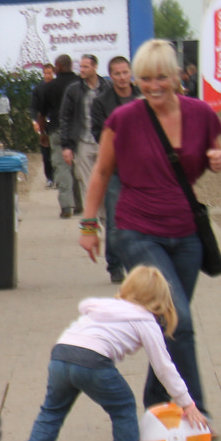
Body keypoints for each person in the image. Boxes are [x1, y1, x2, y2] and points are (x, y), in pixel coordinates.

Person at [78, 39, 221, 416]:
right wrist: (89, 226)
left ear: (177, 77)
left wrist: (218, 159)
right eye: (145, 79)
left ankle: (157, 404)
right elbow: (101, 172)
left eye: (161, 77)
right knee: (180, 321)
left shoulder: (200, 113)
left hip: (187, 234)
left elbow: (213, 153)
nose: (153, 86)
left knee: (168, 325)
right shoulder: (124, 119)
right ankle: (196, 413)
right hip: (137, 230)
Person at [16, 265, 207, 441]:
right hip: (92, 362)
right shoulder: (145, 320)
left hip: (60, 355)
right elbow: (163, 367)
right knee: (123, 406)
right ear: (159, 298)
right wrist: (187, 403)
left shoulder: (104, 307)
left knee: (52, 410)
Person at [91, 56, 141, 283]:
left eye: (125, 72)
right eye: (117, 74)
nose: (122, 78)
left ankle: (139, 263)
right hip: (115, 169)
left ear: (131, 72)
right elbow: (98, 133)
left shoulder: (143, 97)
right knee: (115, 220)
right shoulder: (102, 102)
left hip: (143, 168)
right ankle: (115, 264)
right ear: (111, 76)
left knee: (142, 219)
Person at [59, 54, 110, 215]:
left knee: (107, 184)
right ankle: (92, 221)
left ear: (95, 67)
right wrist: (66, 146)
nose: (81, 70)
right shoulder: (74, 90)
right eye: (80, 66)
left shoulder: (107, 88)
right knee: (88, 185)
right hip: (83, 141)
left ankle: (105, 219)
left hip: (104, 142)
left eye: (85, 67)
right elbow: (65, 118)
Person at [39, 55, 82, 216]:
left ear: (59, 66)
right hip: (79, 130)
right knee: (78, 167)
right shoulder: (80, 84)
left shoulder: (50, 87)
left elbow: (42, 113)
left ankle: (66, 206)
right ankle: (79, 203)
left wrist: (43, 133)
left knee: (62, 167)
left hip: (57, 129)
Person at [29, 64, 58, 188]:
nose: (48, 76)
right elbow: (33, 107)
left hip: (56, 124)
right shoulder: (38, 89)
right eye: (46, 73)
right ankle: (49, 177)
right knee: (46, 154)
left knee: (57, 153)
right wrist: (35, 122)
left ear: (54, 73)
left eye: (50, 73)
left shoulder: (58, 88)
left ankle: (58, 177)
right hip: (43, 124)